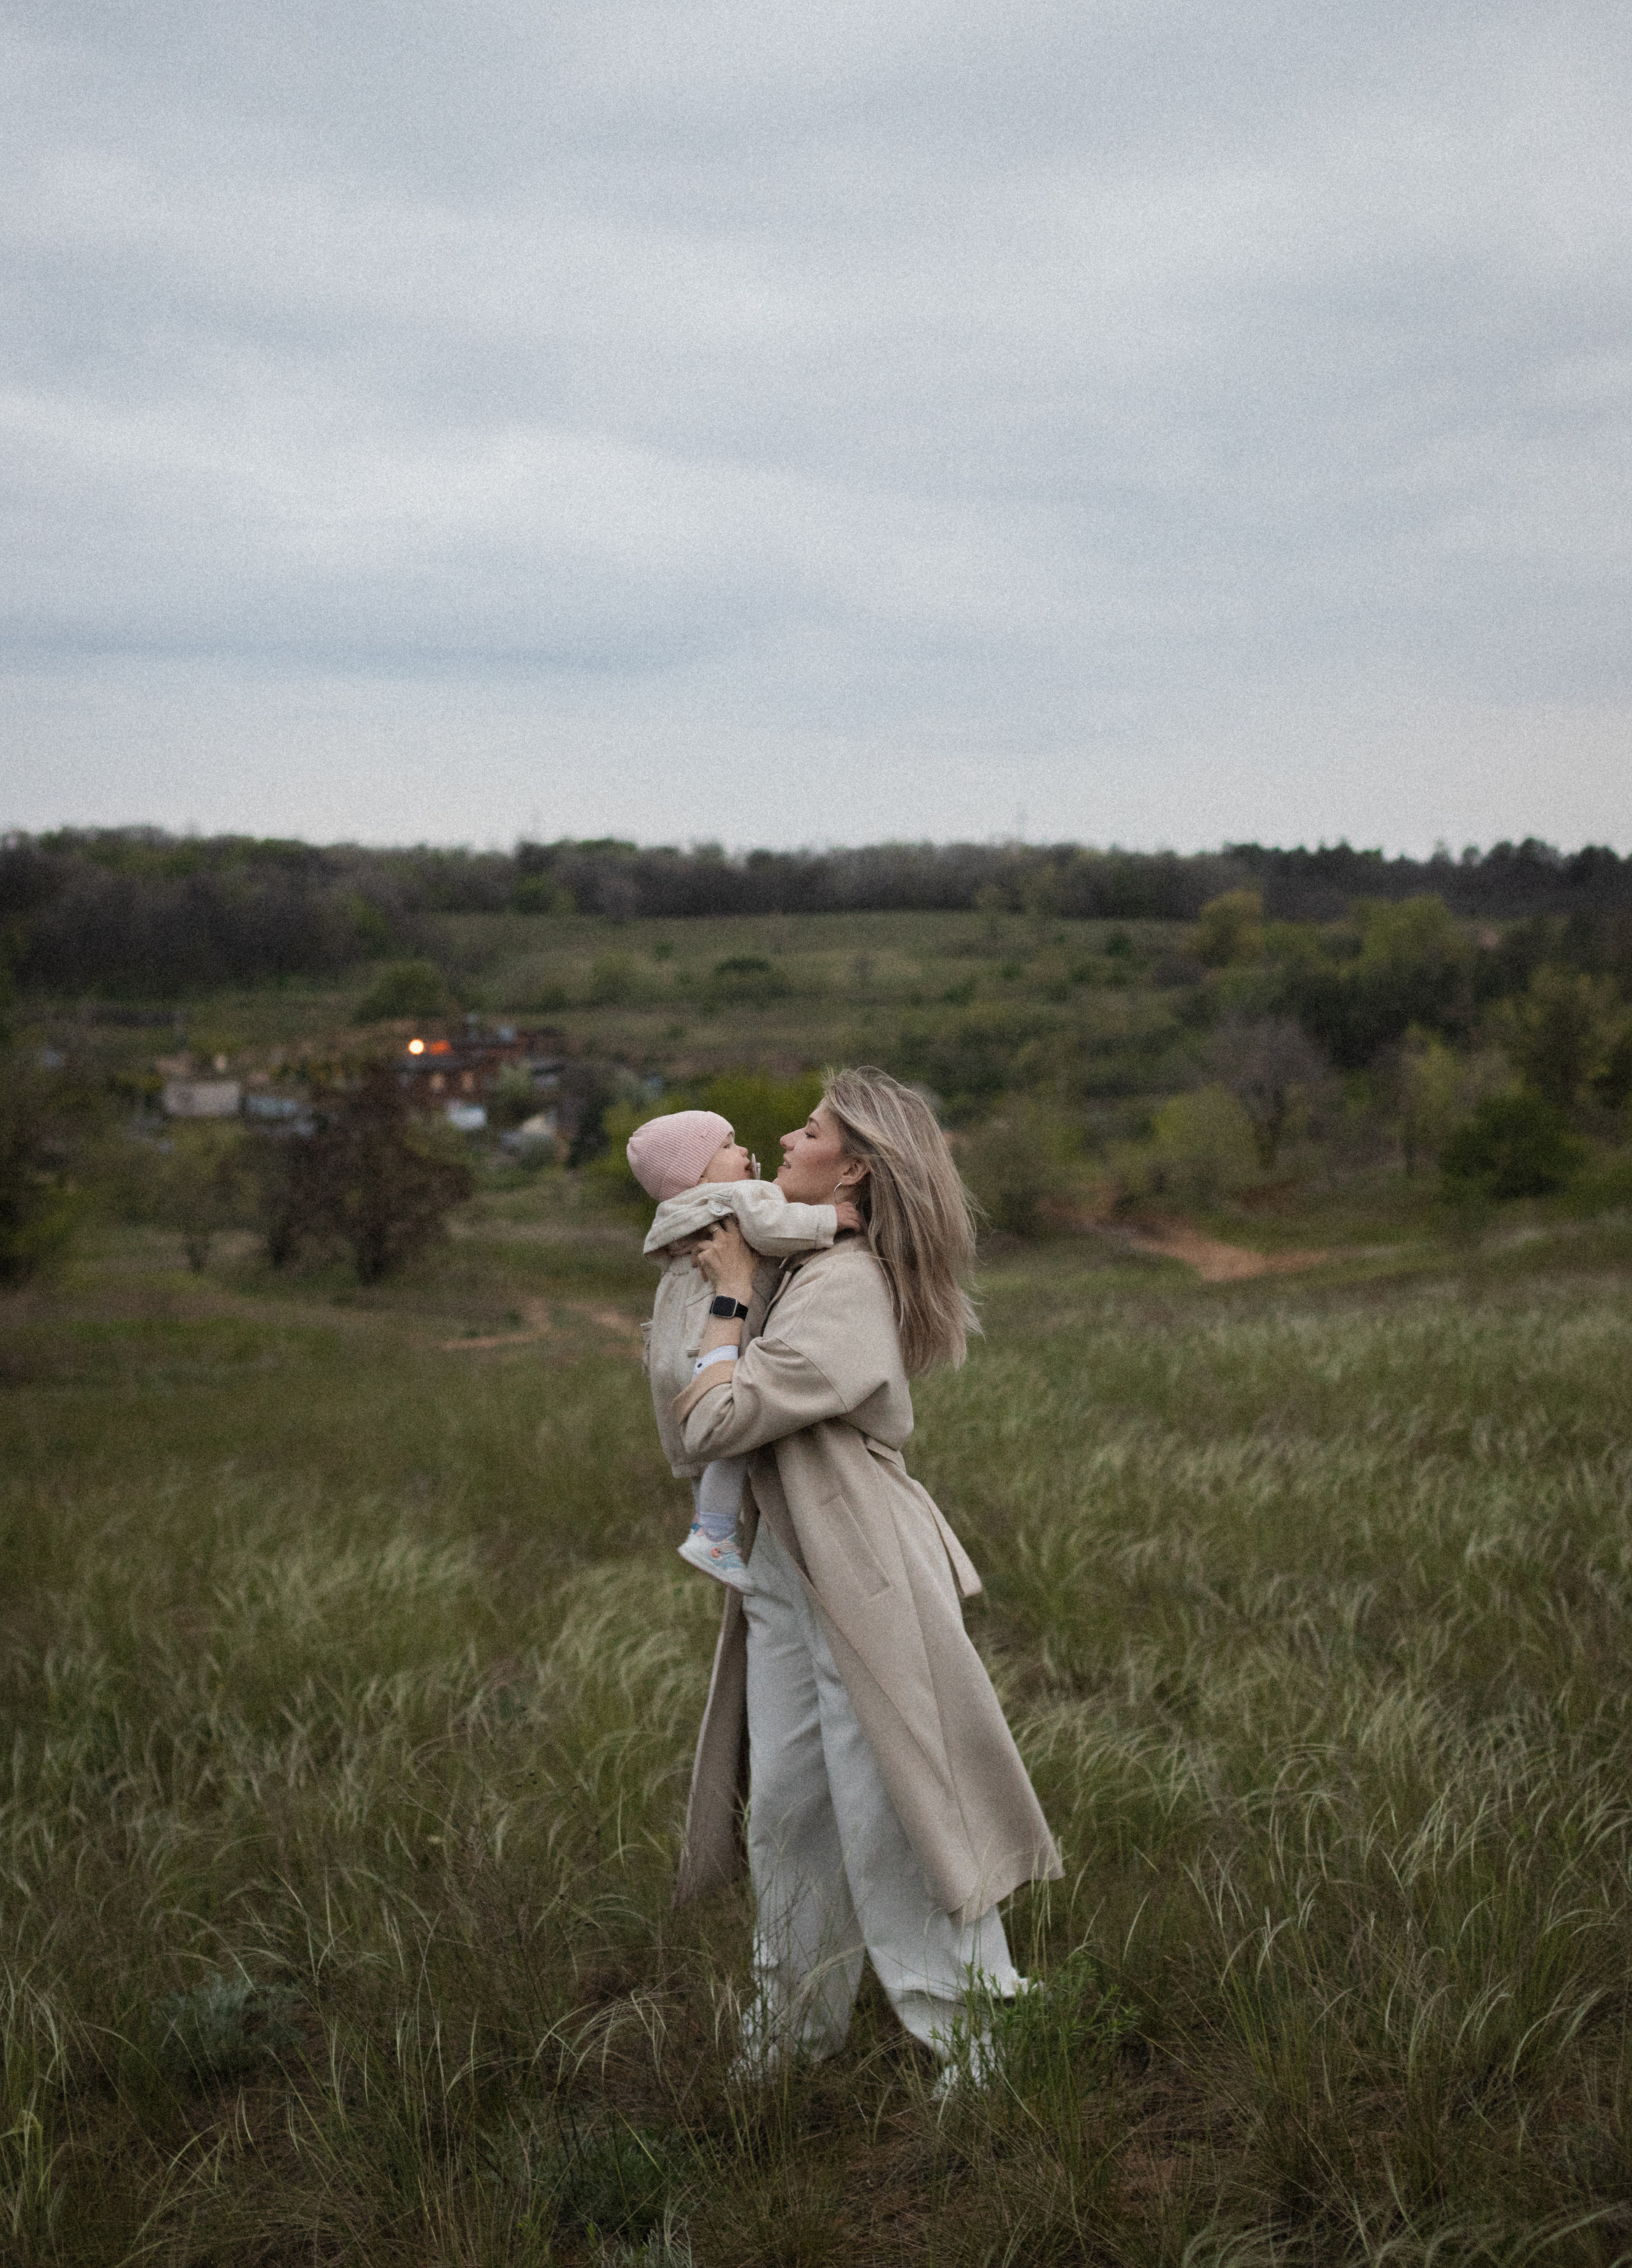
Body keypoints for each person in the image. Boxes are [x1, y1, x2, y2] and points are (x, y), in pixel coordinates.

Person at [671, 1068, 1061, 2077]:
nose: (785, 1140)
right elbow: (685, 1417)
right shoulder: (803, 1269)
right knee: (793, 1812)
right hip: (790, 1571)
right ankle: (793, 2034)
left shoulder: (842, 1284)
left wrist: (726, 1294)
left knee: (891, 1803)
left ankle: (979, 2038)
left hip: (861, 1571)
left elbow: (713, 1417)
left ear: (852, 1167)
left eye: (808, 1131)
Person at [628, 1109, 854, 1589]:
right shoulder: (736, 1197)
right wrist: (830, 1220)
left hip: (673, 1349)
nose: (746, 1154)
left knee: (707, 1454)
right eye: (728, 1147)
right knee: (730, 1442)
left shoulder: (679, 1214)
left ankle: (713, 1530)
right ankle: (714, 1533)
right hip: (711, 1346)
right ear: (698, 1174)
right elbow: (774, 1228)